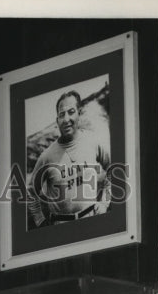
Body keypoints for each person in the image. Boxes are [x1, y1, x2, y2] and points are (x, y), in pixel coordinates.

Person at [27, 89, 111, 228]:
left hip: (92, 221)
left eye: (71, 112)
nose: (66, 119)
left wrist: (104, 202)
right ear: (57, 120)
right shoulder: (47, 156)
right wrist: (40, 221)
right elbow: (30, 191)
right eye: (61, 114)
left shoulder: (93, 142)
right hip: (60, 227)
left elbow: (113, 169)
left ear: (79, 113)